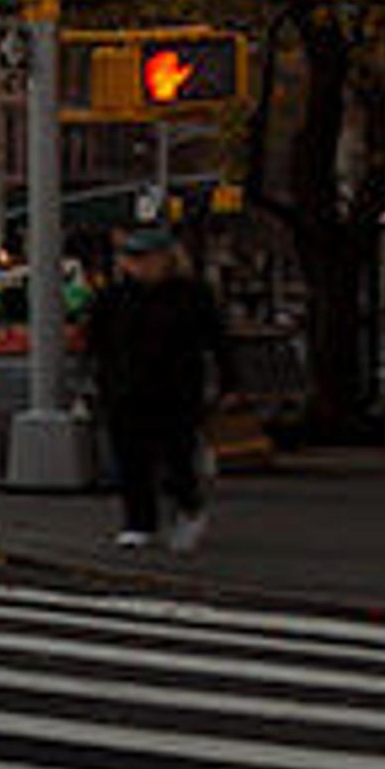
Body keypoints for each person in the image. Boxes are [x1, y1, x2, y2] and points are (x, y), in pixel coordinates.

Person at [87, 224, 232, 551]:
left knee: (176, 457)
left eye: (144, 257)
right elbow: (97, 342)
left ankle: (187, 508)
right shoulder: (113, 297)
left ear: (165, 259)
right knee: (131, 459)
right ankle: (138, 522)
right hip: (126, 389)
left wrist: (229, 381)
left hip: (176, 390)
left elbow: (218, 341)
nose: (137, 265)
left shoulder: (191, 296)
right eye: (131, 258)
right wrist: (99, 379)